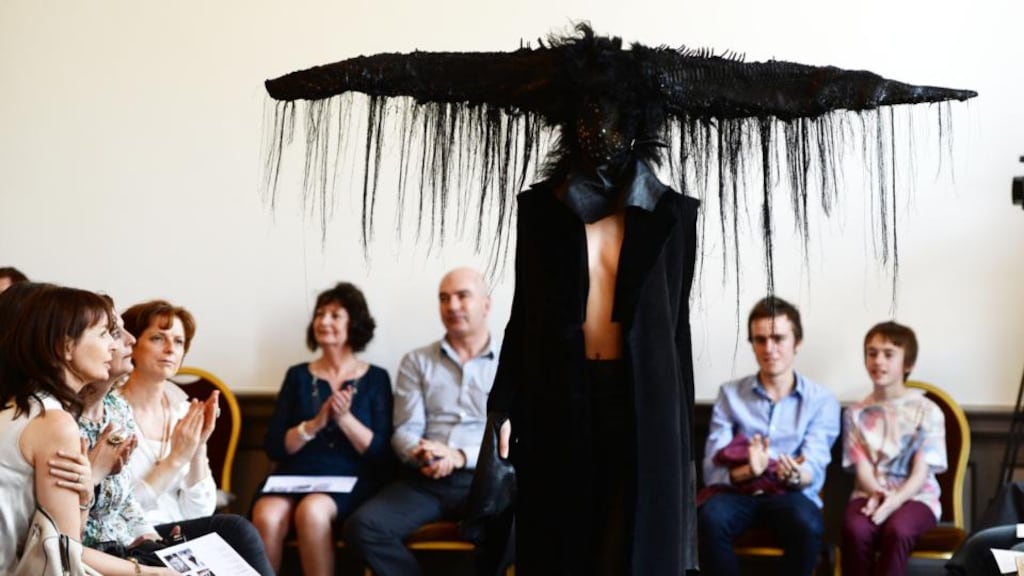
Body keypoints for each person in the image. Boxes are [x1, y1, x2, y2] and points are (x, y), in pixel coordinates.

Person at [0, 283, 176, 575]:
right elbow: (65, 557)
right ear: (67, 347)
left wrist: (83, 498)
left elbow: (64, 543)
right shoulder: (53, 422)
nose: (114, 345)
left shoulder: (30, 408)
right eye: (104, 333)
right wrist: (151, 572)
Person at [344, 267, 498, 576]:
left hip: (487, 480)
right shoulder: (417, 361)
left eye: (462, 296)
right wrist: (422, 452)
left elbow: (516, 435)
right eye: (444, 298)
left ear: (486, 304)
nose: (452, 306)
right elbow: (405, 430)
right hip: (425, 480)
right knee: (362, 527)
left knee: (526, 523)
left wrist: (459, 455)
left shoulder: (512, 362)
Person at [118, 299, 273, 573]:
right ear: (131, 344)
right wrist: (175, 460)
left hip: (180, 534)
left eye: (179, 342)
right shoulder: (111, 413)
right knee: (236, 529)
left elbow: (200, 512)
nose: (171, 349)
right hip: (133, 537)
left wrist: (199, 446)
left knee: (235, 539)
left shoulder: (182, 410)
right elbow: (118, 508)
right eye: (158, 338)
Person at [252, 282, 394, 575]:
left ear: (354, 323)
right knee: (266, 514)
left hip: (350, 478)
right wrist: (316, 424)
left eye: (335, 315)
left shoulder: (377, 378)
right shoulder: (297, 376)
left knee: (312, 511)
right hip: (294, 475)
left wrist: (344, 418)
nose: (323, 321)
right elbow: (275, 446)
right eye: (319, 314)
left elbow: (381, 454)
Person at [698, 296, 841, 576]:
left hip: (790, 493)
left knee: (807, 524)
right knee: (710, 518)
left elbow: (814, 465)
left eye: (778, 338)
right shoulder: (730, 395)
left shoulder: (821, 400)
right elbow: (712, 470)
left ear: (797, 342)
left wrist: (795, 475)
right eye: (760, 340)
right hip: (737, 493)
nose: (769, 348)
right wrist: (750, 470)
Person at [841, 321, 946, 576]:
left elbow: (920, 472)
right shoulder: (855, 413)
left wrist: (895, 500)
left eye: (888, 354)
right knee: (856, 530)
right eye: (872, 353)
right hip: (869, 493)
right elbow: (862, 468)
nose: (878, 361)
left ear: (907, 364)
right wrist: (879, 494)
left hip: (917, 496)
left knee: (898, 530)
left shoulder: (928, 411)